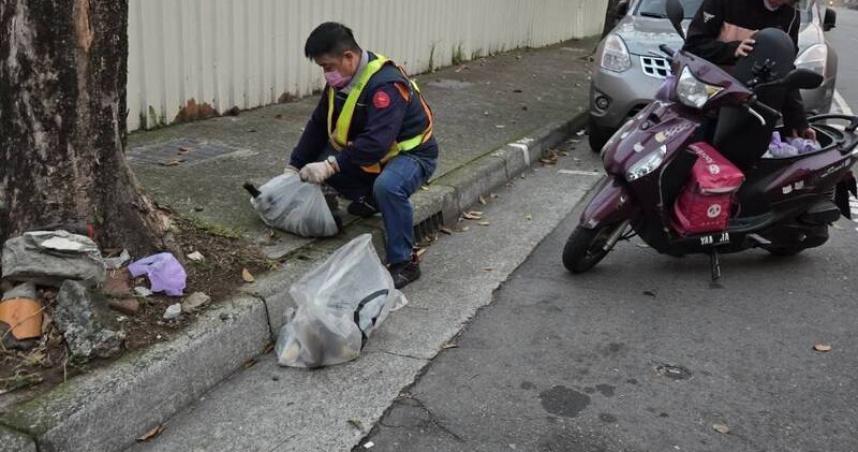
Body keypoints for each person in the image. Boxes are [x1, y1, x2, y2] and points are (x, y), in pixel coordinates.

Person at [288, 22, 438, 289]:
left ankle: (405, 262)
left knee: (388, 186)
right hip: (378, 157)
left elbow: (376, 143)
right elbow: (319, 123)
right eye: (322, 68)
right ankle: (371, 199)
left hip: (414, 156)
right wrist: (294, 165)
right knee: (319, 164)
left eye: (328, 67)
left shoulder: (386, 86)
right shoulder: (342, 81)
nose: (326, 74)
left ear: (349, 57)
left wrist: (332, 164)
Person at [683, 0, 816, 141]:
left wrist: (798, 121)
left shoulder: (790, 14)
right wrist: (733, 50)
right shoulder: (724, 3)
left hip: (749, 108)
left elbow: (784, 68)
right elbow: (694, 45)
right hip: (706, 99)